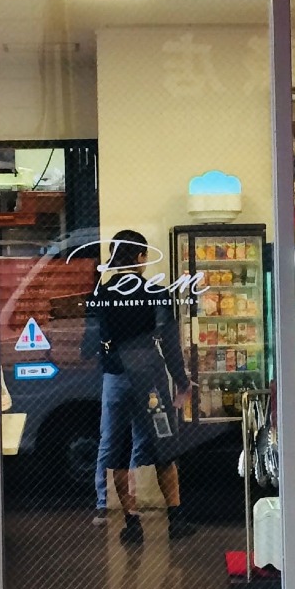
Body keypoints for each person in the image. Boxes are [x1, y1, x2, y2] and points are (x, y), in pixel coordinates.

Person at [82, 229, 193, 544]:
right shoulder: (156, 293)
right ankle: (176, 520)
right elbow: (169, 344)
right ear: (141, 256)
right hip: (150, 382)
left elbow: (89, 344)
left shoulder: (101, 294)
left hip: (115, 379)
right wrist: (182, 381)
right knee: (162, 445)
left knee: (113, 445)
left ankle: (128, 521)